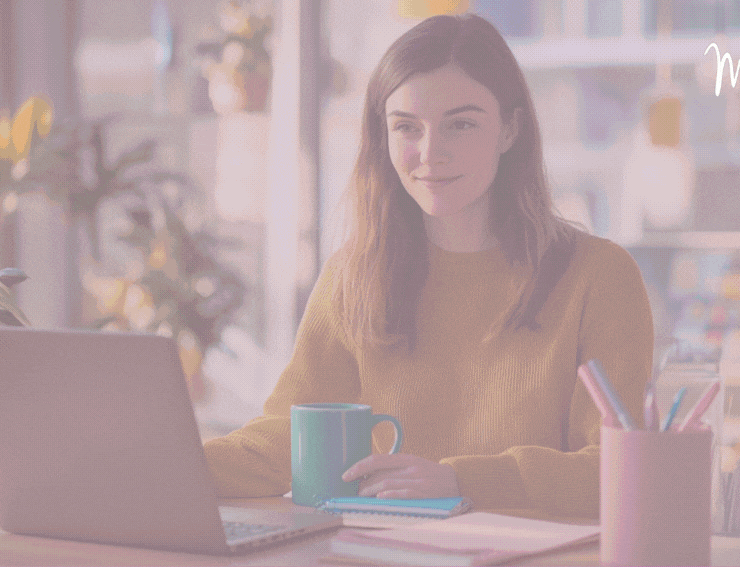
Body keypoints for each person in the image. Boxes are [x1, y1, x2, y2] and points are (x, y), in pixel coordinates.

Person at [202, 13, 653, 519]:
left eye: (460, 124)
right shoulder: (353, 276)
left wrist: (460, 480)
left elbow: (621, 468)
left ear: (510, 128)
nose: (430, 153)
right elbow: (285, 441)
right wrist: (145, 467)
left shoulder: (599, 277)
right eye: (407, 128)